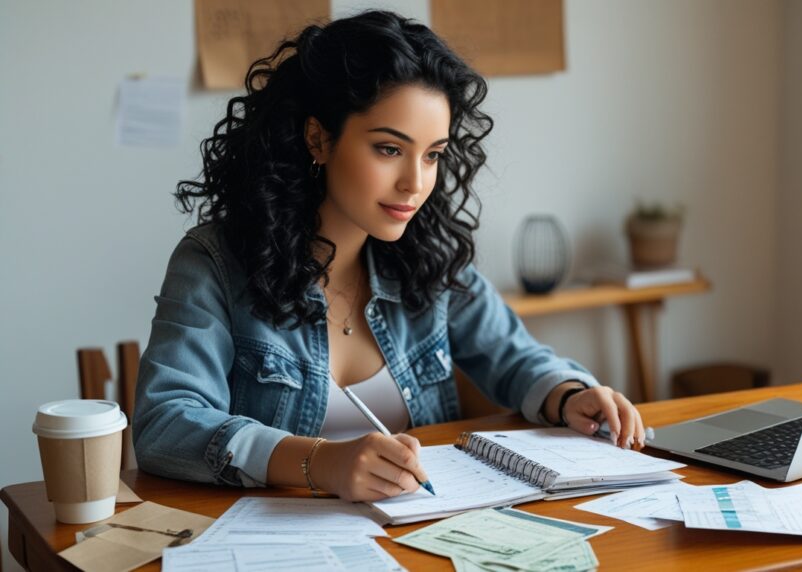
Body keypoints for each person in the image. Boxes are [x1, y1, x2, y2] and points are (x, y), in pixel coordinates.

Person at [133, 10, 646, 502]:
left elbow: (513, 355)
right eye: (389, 148)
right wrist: (319, 463)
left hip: (414, 535)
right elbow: (165, 422)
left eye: (433, 155)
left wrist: (568, 393)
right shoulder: (213, 262)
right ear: (318, 137)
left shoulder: (431, 258)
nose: (415, 183)